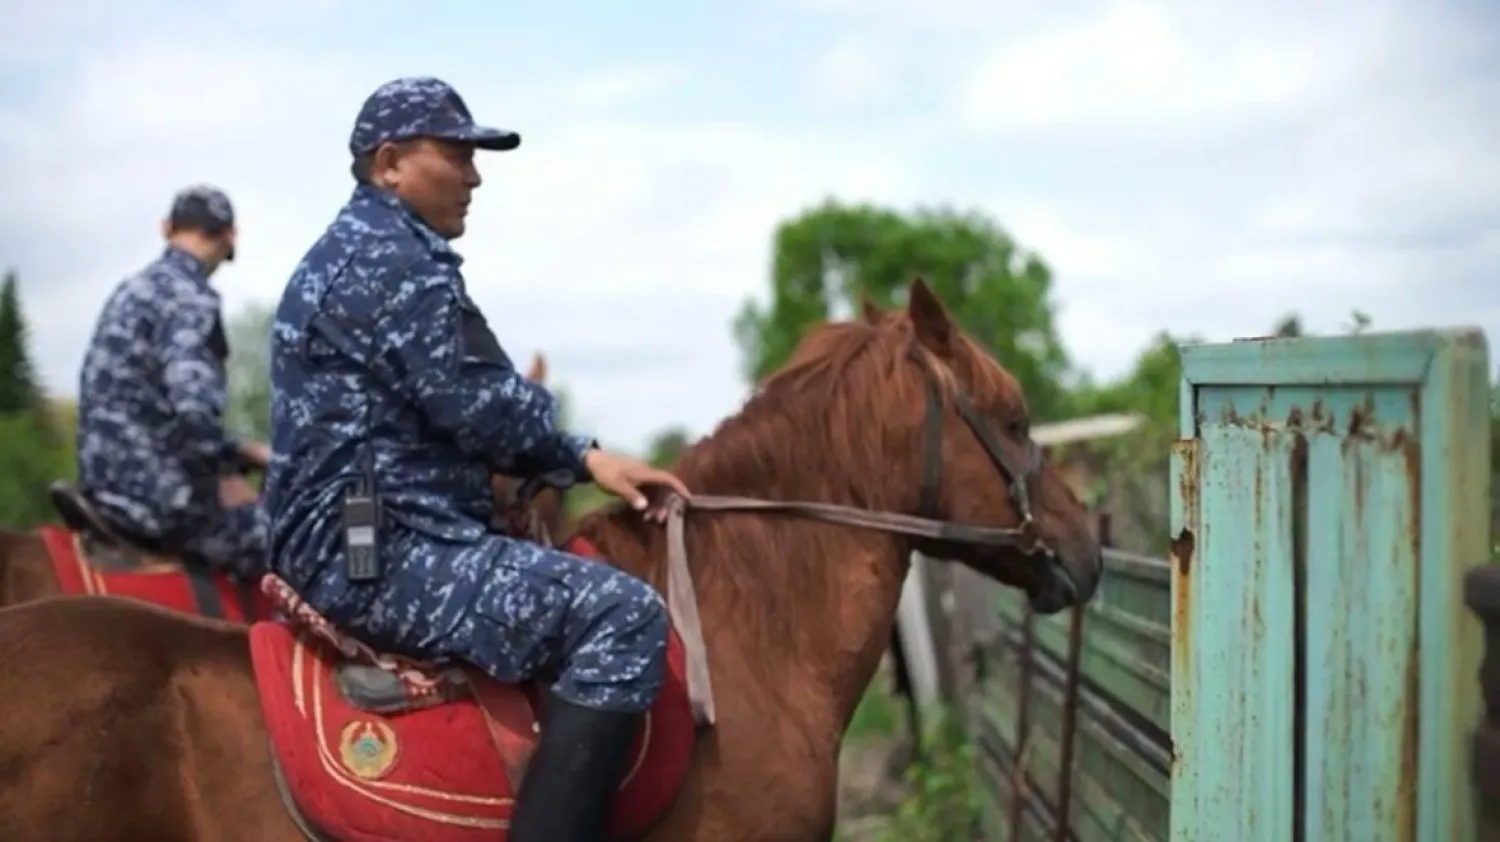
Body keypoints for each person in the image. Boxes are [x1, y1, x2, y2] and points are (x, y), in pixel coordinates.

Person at [264, 76, 692, 842]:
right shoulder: (389, 261)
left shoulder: (369, 249)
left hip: (368, 530)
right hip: (378, 550)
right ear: (390, 162)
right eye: (456, 153)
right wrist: (585, 458)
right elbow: (482, 405)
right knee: (622, 615)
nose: (475, 174)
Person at [75, 185, 271, 579]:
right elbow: (193, 409)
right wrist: (227, 472)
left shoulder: (132, 289)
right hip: (160, 498)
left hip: (104, 484)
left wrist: (243, 451)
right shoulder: (192, 298)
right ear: (230, 237)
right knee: (299, 540)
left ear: (166, 227)